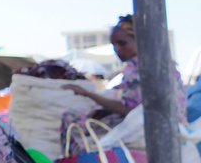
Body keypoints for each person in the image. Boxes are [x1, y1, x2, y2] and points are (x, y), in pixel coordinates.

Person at [61, 14, 187, 143]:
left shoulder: (139, 66)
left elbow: (128, 109)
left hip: (152, 125)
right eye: (114, 44)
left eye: (122, 43)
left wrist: (88, 94)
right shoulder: (163, 63)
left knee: (73, 119)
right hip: (172, 122)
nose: (117, 49)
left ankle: (78, 162)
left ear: (140, 41)